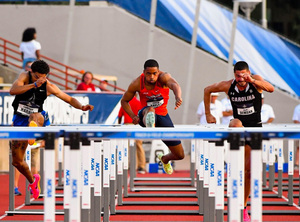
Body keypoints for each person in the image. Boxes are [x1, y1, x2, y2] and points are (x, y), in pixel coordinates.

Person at [10, 60, 94, 199]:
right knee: (17, 161)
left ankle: (33, 132)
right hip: (20, 120)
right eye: (38, 76)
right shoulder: (24, 77)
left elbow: (68, 98)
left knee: (34, 116)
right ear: (31, 73)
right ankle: (33, 181)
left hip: (40, 118)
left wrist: (82, 107)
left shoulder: (48, 86)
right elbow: (13, 90)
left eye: (44, 76)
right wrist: (33, 85)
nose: (41, 79)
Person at [203, 61, 274, 221]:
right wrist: (208, 113)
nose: (241, 79)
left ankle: (243, 207)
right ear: (234, 75)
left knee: (249, 173)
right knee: (236, 122)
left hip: (254, 129)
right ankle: (232, 157)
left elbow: (271, 89)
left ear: (248, 73)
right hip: (238, 127)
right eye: (238, 75)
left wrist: (253, 81)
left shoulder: (255, 81)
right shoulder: (228, 85)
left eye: (244, 75)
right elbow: (207, 90)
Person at [120, 59, 184, 175]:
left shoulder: (163, 77)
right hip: (144, 115)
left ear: (158, 72)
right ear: (144, 72)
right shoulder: (137, 83)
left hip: (163, 116)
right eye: (148, 73)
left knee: (180, 155)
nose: (152, 77)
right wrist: (133, 116)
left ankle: (164, 159)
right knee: (150, 110)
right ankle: (150, 123)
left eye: (154, 73)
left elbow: (175, 85)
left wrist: (178, 97)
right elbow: (124, 101)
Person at [118, 93, 146, 174]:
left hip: (127, 125)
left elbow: (120, 116)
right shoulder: (139, 103)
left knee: (128, 147)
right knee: (139, 145)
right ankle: (141, 166)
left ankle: (130, 165)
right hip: (138, 125)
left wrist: (119, 125)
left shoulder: (125, 103)